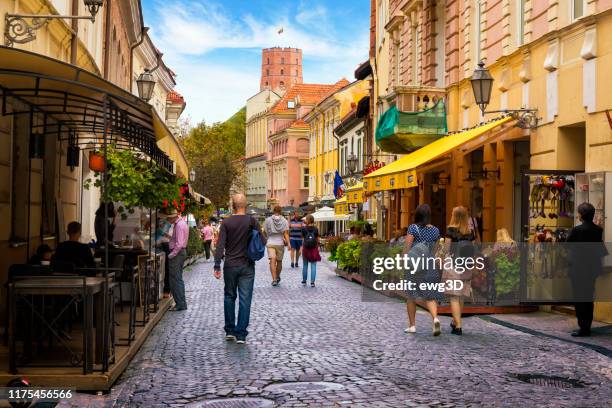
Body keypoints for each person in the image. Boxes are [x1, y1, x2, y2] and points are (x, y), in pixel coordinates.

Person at [214, 194, 265, 344]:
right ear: (246, 206)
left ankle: (230, 330)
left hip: (230, 265)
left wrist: (217, 265)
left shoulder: (226, 223)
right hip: (247, 265)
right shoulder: (252, 221)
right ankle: (241, 334)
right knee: (245, 299)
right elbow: (263, 240)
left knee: (229, 296)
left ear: (233, 206)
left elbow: (220, 245)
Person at [567, 202, 606, 337]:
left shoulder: (577, 230)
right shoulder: (598, 230)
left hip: (578, 269)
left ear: (581, 215)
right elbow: (600, 250)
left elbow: (567, 246)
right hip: (592, 269)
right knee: (589, 297)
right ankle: (587, 326)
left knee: (579, 298)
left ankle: (583, 327)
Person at [403, 204, 442, 336]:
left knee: (411, 296)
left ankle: (412, 326)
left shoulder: (413, 228)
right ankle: (435, 318)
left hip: (415, 265)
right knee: (430, 296)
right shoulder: (436, 231)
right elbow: (436, 249)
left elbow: (407, 247)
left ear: (417, 214)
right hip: (429, 265)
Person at [444, 206, 476, 335]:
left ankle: (458, 326)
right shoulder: (470, 233)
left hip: (453, 266)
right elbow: (473, 250)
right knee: (461, 296)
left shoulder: (451, 230)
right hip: (467, 267)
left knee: (454, 297)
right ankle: (455, 321)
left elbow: (446, 249)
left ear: (454, 216)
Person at [167, 208, 189, 311]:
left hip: (177, 254)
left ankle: (180, 304)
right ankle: (181, 303)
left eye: (168, 218)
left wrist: (172, 254)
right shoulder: (181, 224)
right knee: (177, 279)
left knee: (175, 279)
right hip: (179, 253)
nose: (168, 220)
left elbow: (179, 243)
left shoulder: (179, 225)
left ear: (173, 217)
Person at [263, 205, 289, 286]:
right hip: (280, 243)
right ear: (280, 211)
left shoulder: (268, 220)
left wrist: (266, 238)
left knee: (272, 260)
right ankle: (277, 277)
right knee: (279, 261)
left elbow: (264, 232)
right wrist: (289, 244)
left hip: (270, 242)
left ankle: (274, 279)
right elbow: (286, 233)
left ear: (273, 211)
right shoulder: (284, 220)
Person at [155, 214, 173, 298]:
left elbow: (169, 236)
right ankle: (164, 290)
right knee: (162, 268)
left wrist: (164, 234)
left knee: (167, 268)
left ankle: (167, 290)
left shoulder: (169, 223)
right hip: (160, 245)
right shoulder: (163, 220)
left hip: (166, 245)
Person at [301, 214, 321, 287]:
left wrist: (301, 248)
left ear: (308, 220)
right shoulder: (316, 229)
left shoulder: (303, 229)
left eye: (306, 219)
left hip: (305, 248)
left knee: (305, 265)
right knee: (313, 265)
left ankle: (304, 280)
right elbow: (317, 239)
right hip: (313, 248)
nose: (305, 220)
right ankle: (312, 282)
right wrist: (318, 247)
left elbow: (303, 239)